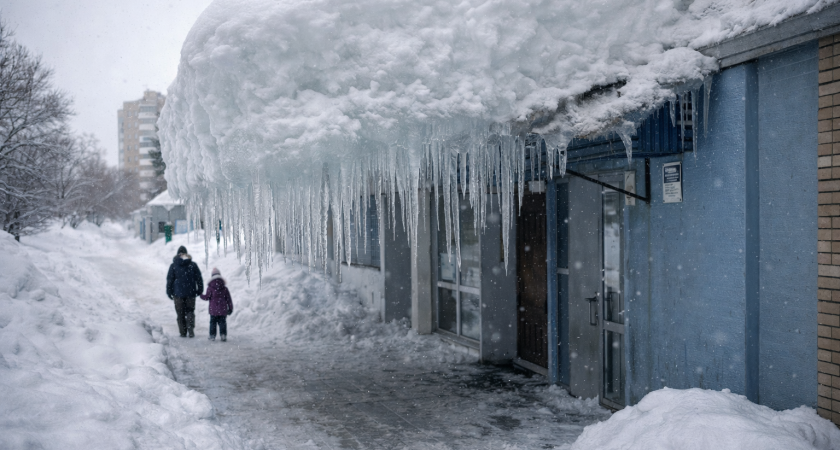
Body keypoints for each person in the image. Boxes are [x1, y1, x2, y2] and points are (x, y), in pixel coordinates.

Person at [166, 245, 203, 337]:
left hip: (177, 294)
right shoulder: (193, 265)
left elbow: (170, 280)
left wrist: (169, 291)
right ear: (186, 254)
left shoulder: (174, 265)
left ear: (178, 254)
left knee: (180, 313)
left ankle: (183, 332)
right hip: (191, 292)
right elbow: (199, 278)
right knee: (190, 311)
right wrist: (200, 289)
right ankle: (190, 327)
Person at [200, 267, 233, 341]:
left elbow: (206, 297)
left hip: (213, 310)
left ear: (212, 276)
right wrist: (230, 308)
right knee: (222, 323)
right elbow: (229, 299)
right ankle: (223, 335)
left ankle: (212, 336)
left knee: (213, 323)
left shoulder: (210, 287)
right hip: (223, 309)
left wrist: (200, 295)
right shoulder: (224, 288)